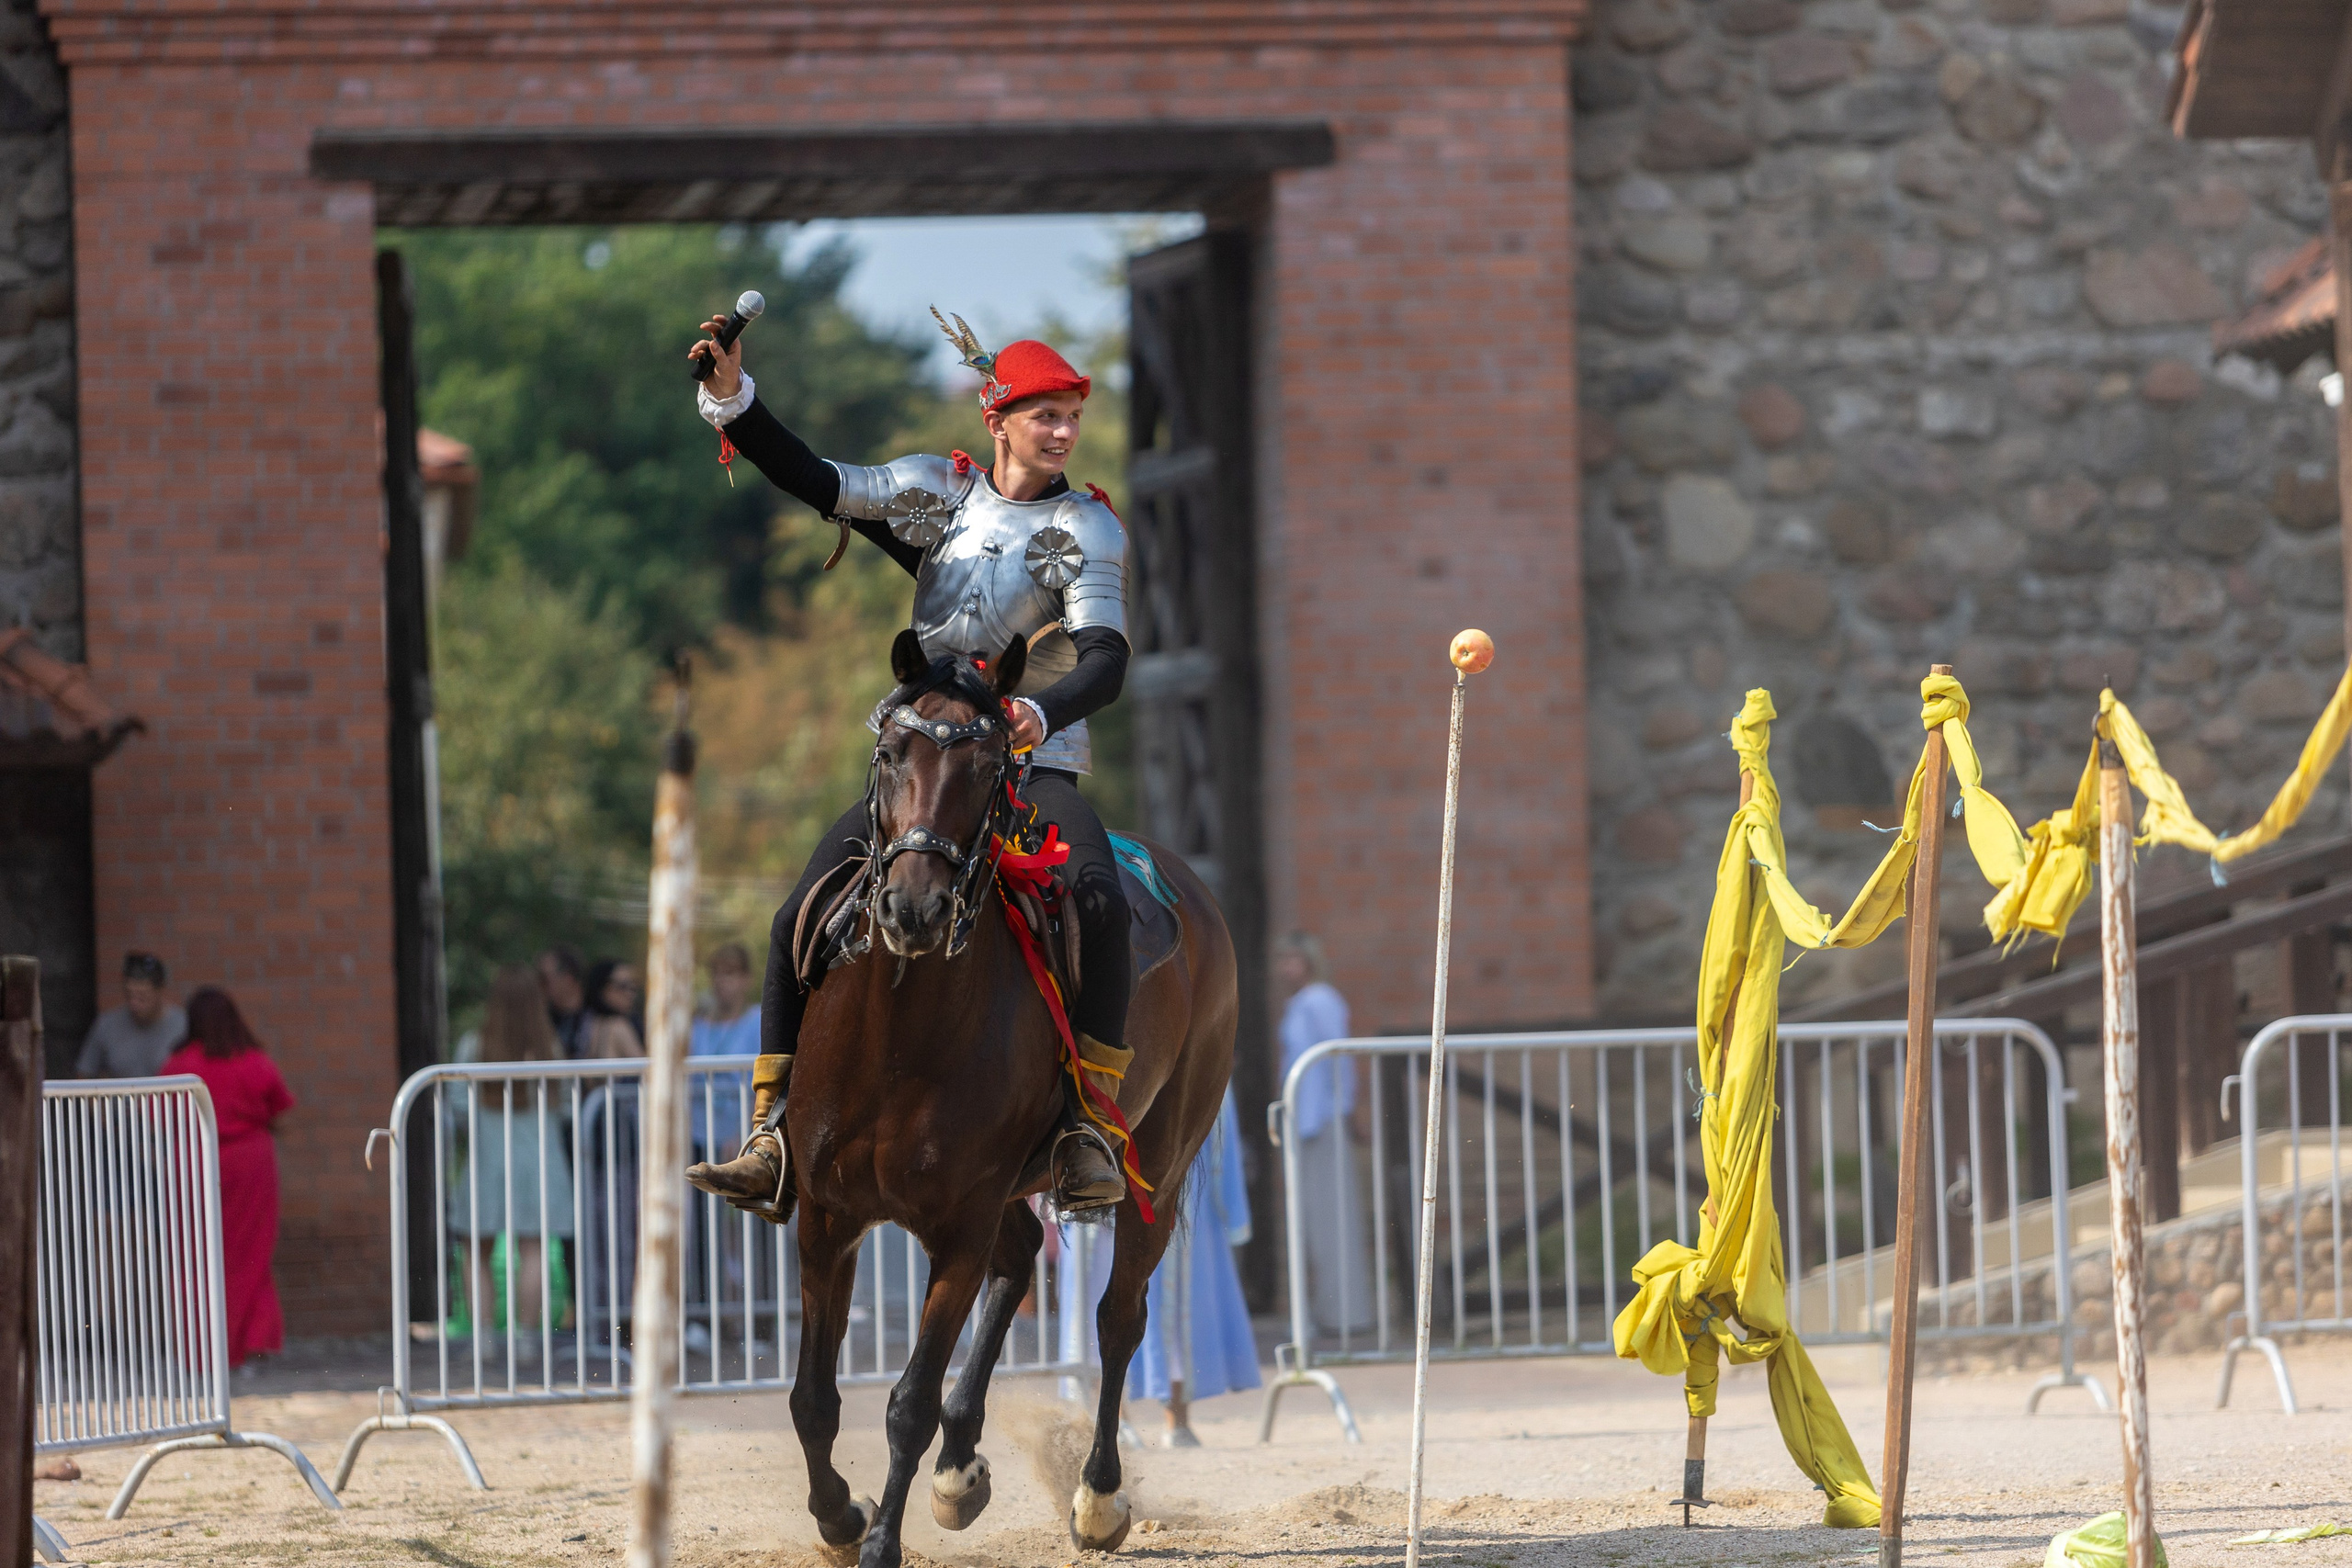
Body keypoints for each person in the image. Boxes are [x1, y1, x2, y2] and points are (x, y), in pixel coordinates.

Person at [684, 307, 1133, 1221]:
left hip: (1034, 767)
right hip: (924, 765)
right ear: (995, 418)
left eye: (1071, 417)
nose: (1062, 432)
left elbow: (1105, 659)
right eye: (1044, 414)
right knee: (793, 914)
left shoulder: (1089, 529)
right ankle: (770, 1134)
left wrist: (1033, 713)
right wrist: (733, 399)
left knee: (1099, 896)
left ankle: (1090, 1124)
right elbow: (819, 479)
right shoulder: (940, 493)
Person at [1058, 1088, 1260, 1444]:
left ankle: (1177, 1418)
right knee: (1099, 1293)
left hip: (1168, 1180)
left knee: (1177, 1298)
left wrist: (1229, 1205)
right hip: (1108, 1152)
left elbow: (1216, 1120)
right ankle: (1114, 1417)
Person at [162, 987, 291, 1368]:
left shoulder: (179, 1064)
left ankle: (203, 1351)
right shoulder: (256, 1062)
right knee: (252, 1253)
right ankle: (252, 1344)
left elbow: (157, 1116)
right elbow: (280, 1112)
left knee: (198, 1255)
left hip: (195, 1161)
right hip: (252, 1164)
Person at [447, 965, 574, 1343]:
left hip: (487, 1161)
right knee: (533, 1248)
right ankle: (526, 1339)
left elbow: (457, 1105)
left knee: (475, 1249)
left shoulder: (475, 1045)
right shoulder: (549, 1047)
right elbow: (567, 1106)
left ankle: (483, 1340)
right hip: (540, 1163)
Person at [1277, 932, 1373, 1335]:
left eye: (1296, 959)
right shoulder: (1299, 1005)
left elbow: (1338, 1060)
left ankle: (1348, 1312)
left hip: (1323, 1118)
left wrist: (1348, 1111)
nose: (1288, 968)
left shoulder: (1321, 1001)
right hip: (1304, 1121)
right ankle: (1324, 1310)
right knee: (1313, 1221)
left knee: (1333, 1217)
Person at [76, 951, 186, 1078]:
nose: (134, 1004)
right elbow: (85, 1074)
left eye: (142, 997)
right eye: (129, 996)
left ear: (160, 991)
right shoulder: (107, 1025)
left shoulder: (182, 1026)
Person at [580, 959, 643, 1060]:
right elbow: (646, 1070)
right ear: (602, 988)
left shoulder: (589, 1022)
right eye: (622, 986)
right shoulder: (618, 1026)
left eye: (633, 985)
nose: (630, 993)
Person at [537, 946, 592, 1060]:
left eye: (544, 979)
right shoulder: (542, 1018)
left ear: (568, 979)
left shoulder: (598, 1018)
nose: (539, 986)